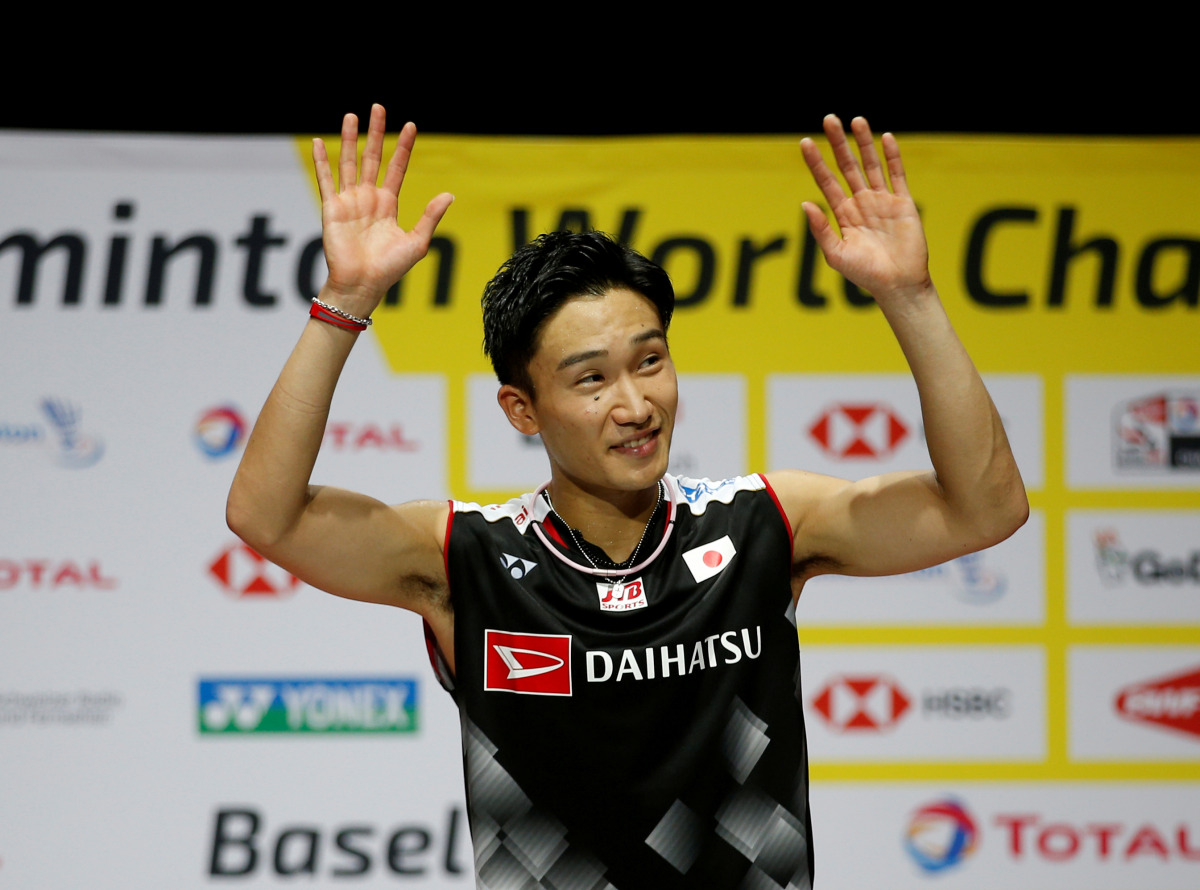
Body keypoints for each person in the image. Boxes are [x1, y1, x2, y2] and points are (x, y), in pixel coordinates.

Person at [227, 105, 1028, 889]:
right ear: (522, 409)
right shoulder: (464, 557)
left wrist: (911, 297)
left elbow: (985, 508)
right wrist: (346, 303)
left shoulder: (765, 523)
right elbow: (266, 516)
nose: (636, 405)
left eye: (650, 362)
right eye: (591, 380)